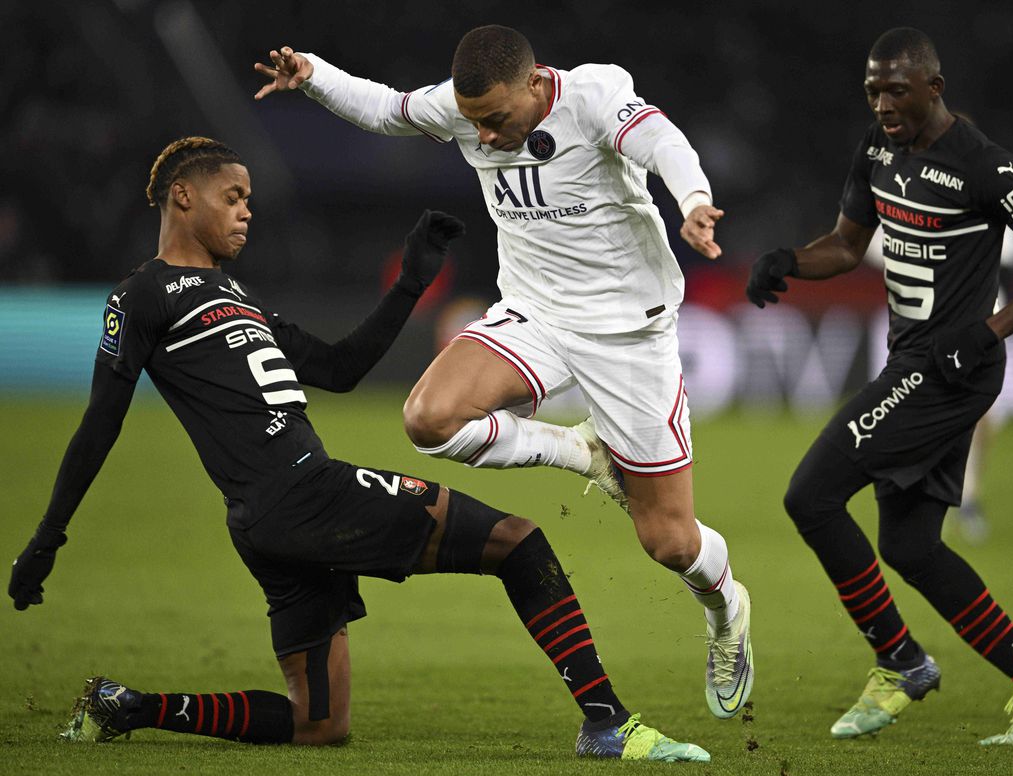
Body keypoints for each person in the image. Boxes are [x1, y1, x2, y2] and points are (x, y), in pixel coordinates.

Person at [7, 136, 709, 762]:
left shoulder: (238, 299)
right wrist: (48, 537)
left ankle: (129, 706)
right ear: (182, 197)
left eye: (249, 198)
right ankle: (606, 724)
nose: (247, 211)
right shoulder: (144, 295)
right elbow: (103, 418)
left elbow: (340, 369)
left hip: (267, 522)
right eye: (233, 196)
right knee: (518, 545)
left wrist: (410, 281)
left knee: (320, 725)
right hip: (306, 494)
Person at [253, 25, 753, 719]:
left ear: (535, 84)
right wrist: (312, 75)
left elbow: (663, 141)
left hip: (627, 334)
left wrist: (694, 202)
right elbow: (387, 109)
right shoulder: (467, 108)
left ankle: (727, 609)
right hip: (535, 316)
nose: (483, 137)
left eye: (496, 120)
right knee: (428, 419)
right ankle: (582, 451)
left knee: (668, 541)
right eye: (474, 122)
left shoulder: (593, 96)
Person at [746, 28, 1013, 746]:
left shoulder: (985, 164)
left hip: (949, 369)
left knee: (810, 495)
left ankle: (899, 660)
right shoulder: (877, 151)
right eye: (873, 89)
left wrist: (991, 329)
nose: (883, 103)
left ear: (935, 86)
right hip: (918, 362)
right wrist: (787, 260)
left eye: (897, 88)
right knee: (909, 547)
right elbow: (845, 244)